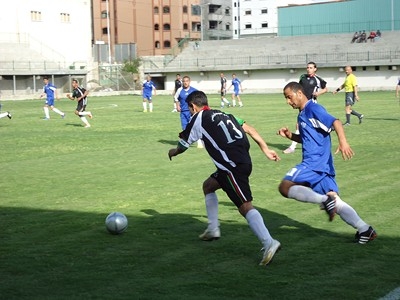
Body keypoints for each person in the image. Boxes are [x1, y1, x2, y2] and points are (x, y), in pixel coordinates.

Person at [168, 91, 281, 265]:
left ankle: (269, 242)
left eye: (190, 109)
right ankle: (213, 229)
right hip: (241, 161)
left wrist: (173, 152)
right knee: (208, 186)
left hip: (232, 167)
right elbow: (250, 129)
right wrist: (265, 149)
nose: (190, 112)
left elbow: (183, 145)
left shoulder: (198, 118)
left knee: (245, 207)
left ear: (192, 106)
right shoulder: (226, 114)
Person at [277, 82, 376, 244]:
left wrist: (343, 142)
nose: (288, 101)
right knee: (335, 200)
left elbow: (335, 121)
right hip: (324, 166)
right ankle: (365, 229)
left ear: (300, 93)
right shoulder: (302, 114)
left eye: (289, 97)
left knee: (284, 187)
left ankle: (324, 201)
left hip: (313, 163)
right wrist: (290, 136)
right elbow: (308, 138)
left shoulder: (313, 109)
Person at [283, 62, 327, 154]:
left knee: (307, 125)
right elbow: (297, 88)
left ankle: (293, 147)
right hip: (301, 104)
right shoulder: (302, 77)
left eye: (311, 68)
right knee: (300, 125)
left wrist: (318, 93)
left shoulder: (318, 79)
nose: (308, 69)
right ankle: (298, 145)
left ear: (315, 69)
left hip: (311, 104)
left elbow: (325, 89)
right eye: (307, 67)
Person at [174, 75, 203, 148]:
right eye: (184, 81)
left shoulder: (194, 90)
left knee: (195, 126)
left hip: (192, 112)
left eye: (187, 81)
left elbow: (200, 97)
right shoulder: (179, 90)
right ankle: (187, 141)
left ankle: (199, 142)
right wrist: (177, 106)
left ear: (189, 82)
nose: (185, 83)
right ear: (182, 82)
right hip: (183, 112)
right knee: (185, 128)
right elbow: (176, 98)